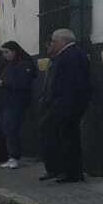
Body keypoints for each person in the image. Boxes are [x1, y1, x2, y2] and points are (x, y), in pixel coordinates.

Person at [41, 28, 93, 183]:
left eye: (53, 41)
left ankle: (67, 171)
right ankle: (63, 170)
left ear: (60, 41)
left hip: (67, 105)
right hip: (64, 103)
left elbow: (71, 84)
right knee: (62, 136)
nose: (51, 44)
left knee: (65, 137)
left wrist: (62, 104)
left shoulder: (71, 56)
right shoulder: (66, 56)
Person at [0, 41, 37, 170]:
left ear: (14, 51)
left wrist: (4, 83)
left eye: (7, 52)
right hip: (4, 101)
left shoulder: (24, 64)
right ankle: (11, 156)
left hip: (15, 102)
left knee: (12, 129)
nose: (5, 55)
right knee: (7, 130)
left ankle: (15, 156)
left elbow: (23, 83)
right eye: (3, 52)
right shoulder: (9, 65)